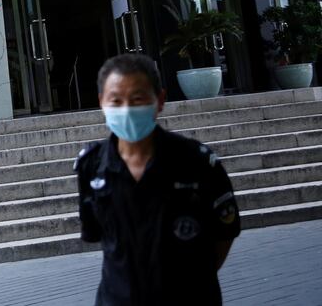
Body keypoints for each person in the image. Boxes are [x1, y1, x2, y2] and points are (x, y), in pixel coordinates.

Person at [75, 54, 240, 306]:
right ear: (101, 103)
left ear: (160, 100)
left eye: (138, 99)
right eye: (116, 100)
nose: (126, 109)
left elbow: (223, 235)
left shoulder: (197, 162)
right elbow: (98, 235)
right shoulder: (92, 166)